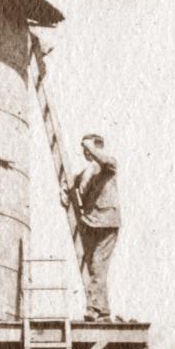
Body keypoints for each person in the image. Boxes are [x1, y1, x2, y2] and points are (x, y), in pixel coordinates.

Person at [64, 134, 121, 321]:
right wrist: (64, 191)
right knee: (94, 266)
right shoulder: (87, 172)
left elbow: (106, 161)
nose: (85, 153)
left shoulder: (107, 165)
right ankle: (103, 310)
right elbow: (71, 182)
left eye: (87, 150)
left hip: (107, 222)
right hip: (92, 222)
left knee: (98, 264)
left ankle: (94, 308)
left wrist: (92, 148)